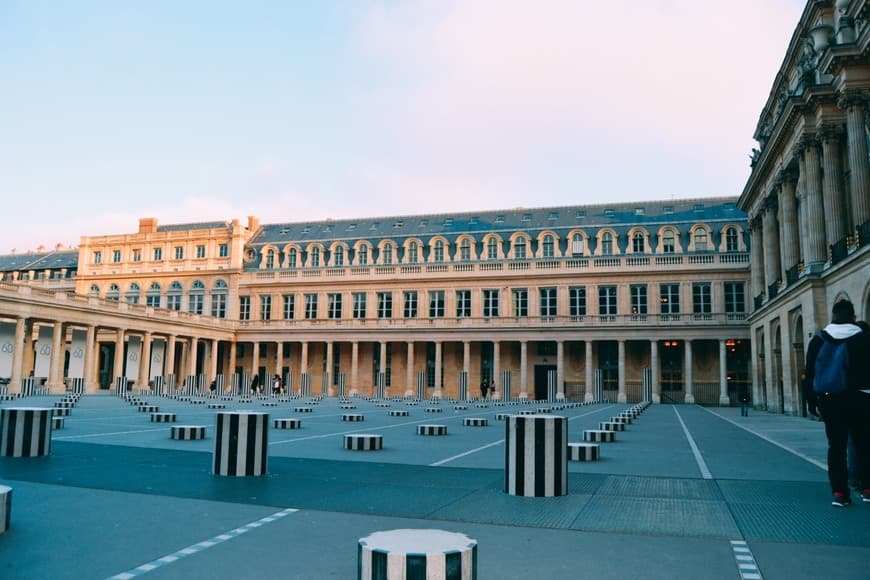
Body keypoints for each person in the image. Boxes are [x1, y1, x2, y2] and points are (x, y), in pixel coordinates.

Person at [804, 299, 870, 507]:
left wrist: (811, 400)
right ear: (853, 317)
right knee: (864, 445)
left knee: (836, 447)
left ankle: (840, 493)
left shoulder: (819, 340)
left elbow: (810, 372)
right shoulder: (864, 338)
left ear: (833, 316)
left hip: (830, 399)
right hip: (861, 398)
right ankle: (868, 489)